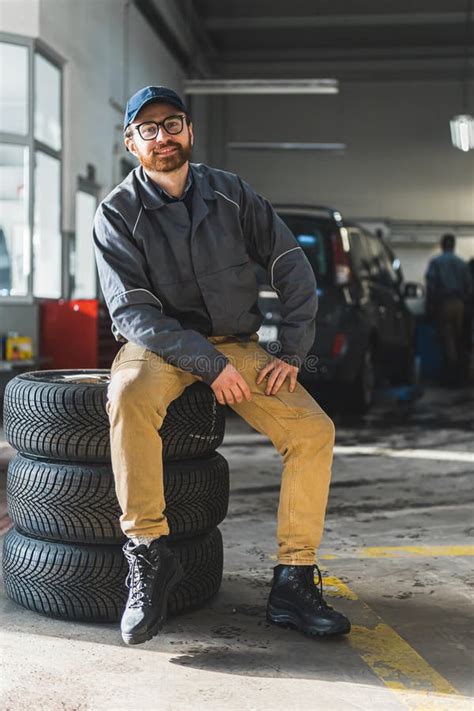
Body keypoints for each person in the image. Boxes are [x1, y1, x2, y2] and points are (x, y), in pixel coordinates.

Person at [93, 85, 350, 646]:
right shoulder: (117, 211)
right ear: (132, 142)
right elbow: (131, 310)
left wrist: (292, 350)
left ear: (190, 131)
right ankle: (149, 554)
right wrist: (208, 365)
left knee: (314, 432)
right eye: (149, 129)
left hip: (237, 341)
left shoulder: (231, 193)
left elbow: (291, 263)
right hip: (159, 344)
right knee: (129, 394)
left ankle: (293, 581)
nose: (164, 136)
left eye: (173, 124)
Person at [425, 234, 472, 386]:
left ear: (442, 245)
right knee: (459, 339)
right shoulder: (462, 264)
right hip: (460, 304)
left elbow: (431, 285)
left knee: (447, 341)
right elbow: (469, 286)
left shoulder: (436, 262)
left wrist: (430, 305)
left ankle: (451, 378)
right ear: (453, 245)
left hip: (443, 304)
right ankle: (461, 376)